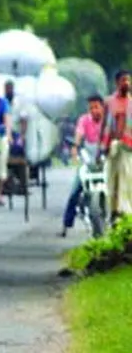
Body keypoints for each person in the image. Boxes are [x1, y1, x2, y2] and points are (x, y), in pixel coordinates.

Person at [61, 95, 105, 236]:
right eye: (91, 107)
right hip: (89, 159)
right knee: (75, 191)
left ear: (102, 107)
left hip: (105, 158)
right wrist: (75, 148)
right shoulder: (84, 120)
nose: (94, 110)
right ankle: (66, 223)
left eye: (96, 107)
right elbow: (79, 135)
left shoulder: (108, 121)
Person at [104, 70, 132, 221]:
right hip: (113, 148)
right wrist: (102, 147)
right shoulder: (109, 102)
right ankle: (113, 212)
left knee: (127, 182)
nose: (126, 83)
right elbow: (105, 127)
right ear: (117, 83)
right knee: (112, 182)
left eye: (128, 80)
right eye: (123, 80)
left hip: (128, 149)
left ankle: (126, 214)